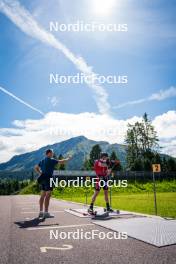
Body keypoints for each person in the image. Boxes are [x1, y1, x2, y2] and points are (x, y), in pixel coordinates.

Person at [34, 149, 71, 218]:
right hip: (49, 179)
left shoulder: (42, 161)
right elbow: (62, 162)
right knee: (48, 196)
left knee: (42, 195)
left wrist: (40, 172)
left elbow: (36, 167)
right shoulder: (51, 160)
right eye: (52, 153)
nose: (53, 154)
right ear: (49, 153)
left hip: (42, 178)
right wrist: (69, 158)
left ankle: (41, 212)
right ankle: (46, 213)